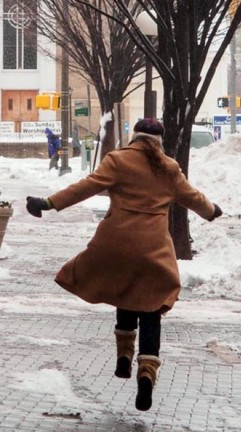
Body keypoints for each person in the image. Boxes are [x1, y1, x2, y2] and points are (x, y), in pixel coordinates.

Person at [25, 118, 222, 412]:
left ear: (135, 137)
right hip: (153, 248)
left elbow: (87, 186)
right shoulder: (168, 168)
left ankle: (123, 358)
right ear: (159, 140)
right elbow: (192, 197)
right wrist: (212, 211)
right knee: (152, 305)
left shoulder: (118, 160)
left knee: (123, 289)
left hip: (116, 243)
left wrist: (49, 203)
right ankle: (147, 372)